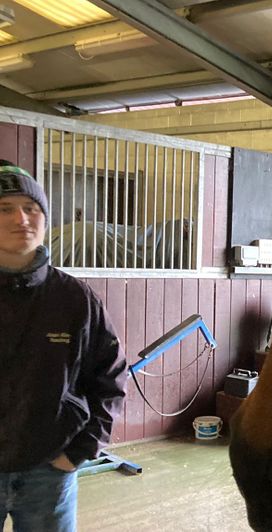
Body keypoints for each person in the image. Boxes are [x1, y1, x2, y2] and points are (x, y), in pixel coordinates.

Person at [0, 161, 128, 531]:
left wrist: (78, 452)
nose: (21, 219)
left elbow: (110, 378)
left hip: (49, 472)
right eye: (5, 209)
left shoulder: (75, 298)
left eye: (31, 208)